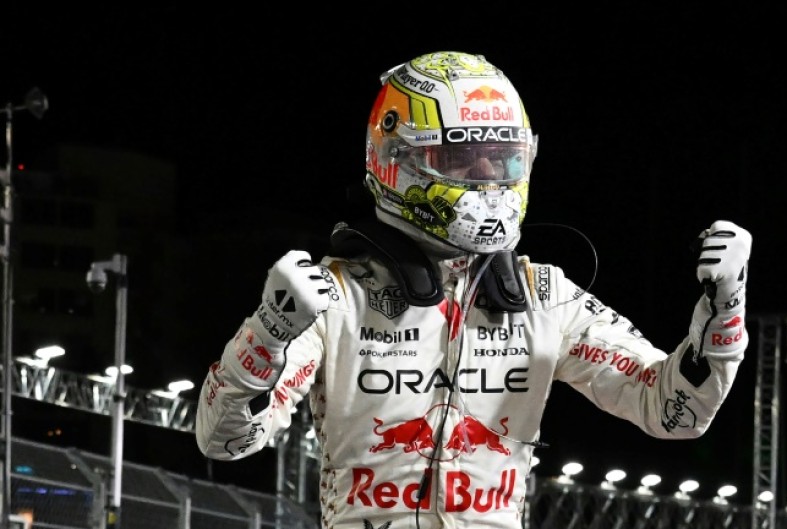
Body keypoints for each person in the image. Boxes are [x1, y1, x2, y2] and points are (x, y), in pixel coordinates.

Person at [195, 50, 752, 529]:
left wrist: (725, 306)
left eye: (503, 157)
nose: (488, 177)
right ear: (396, 161)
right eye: (460, 157)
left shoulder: (545, 298)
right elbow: (226, 441)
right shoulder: (334, 297)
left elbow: (675, 413)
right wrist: (266, 336)